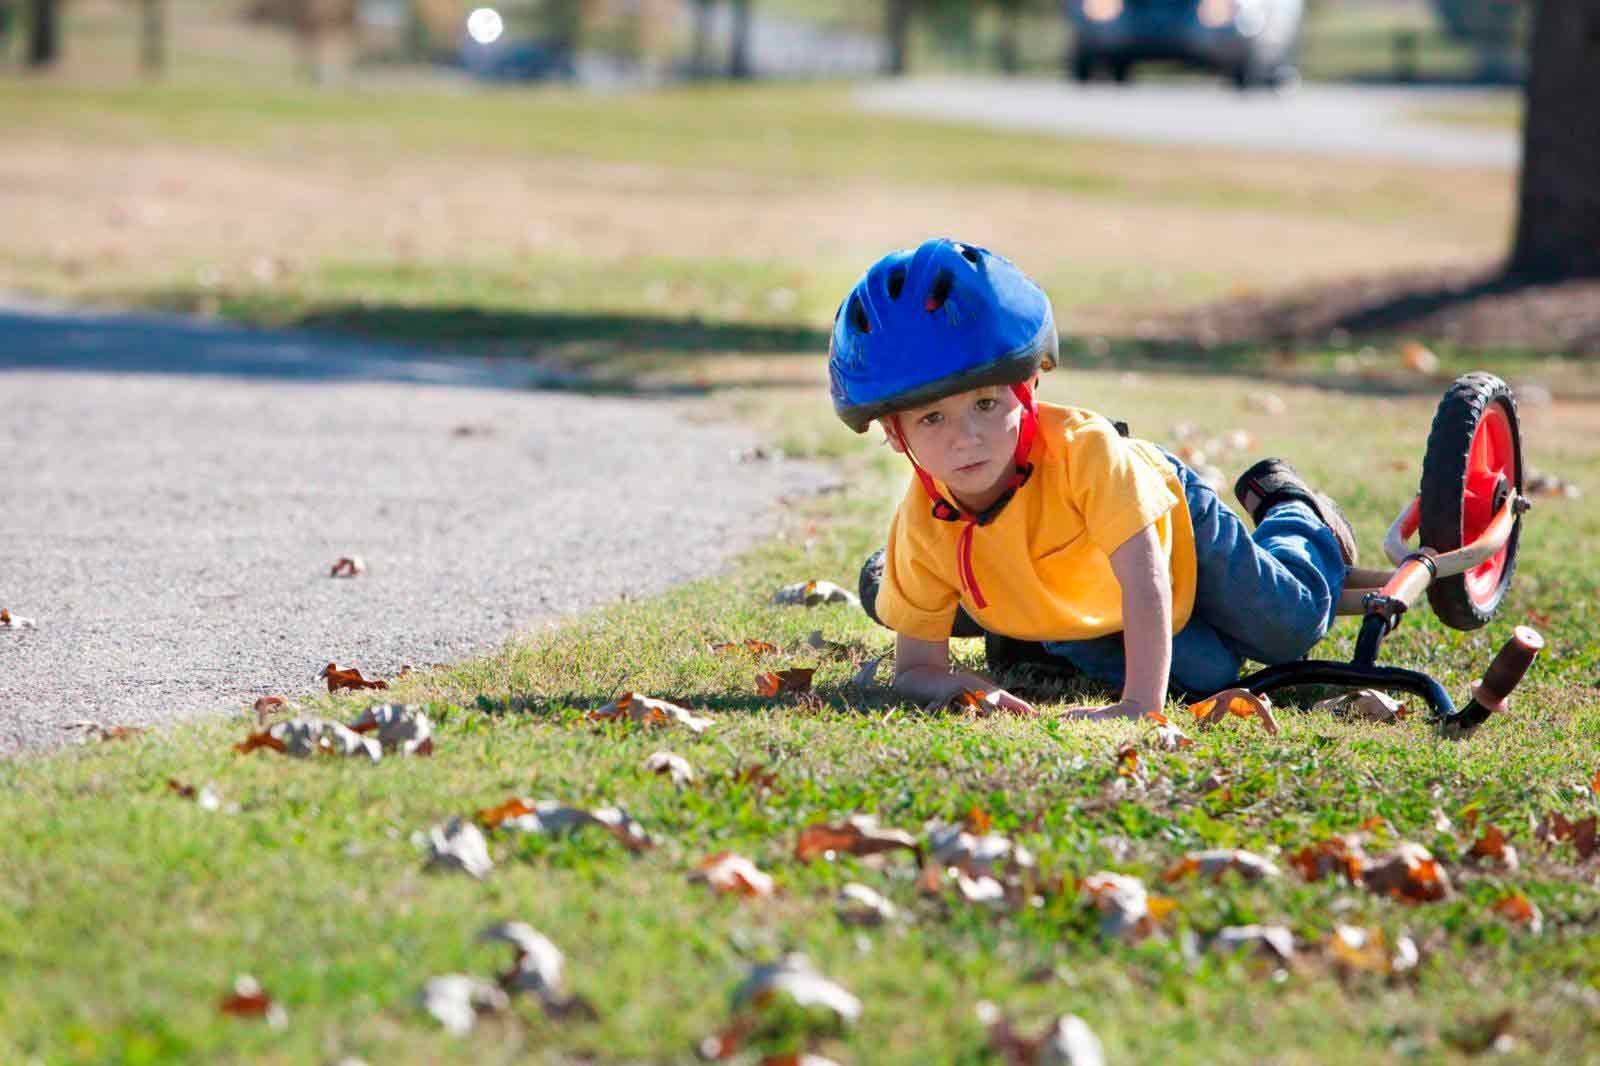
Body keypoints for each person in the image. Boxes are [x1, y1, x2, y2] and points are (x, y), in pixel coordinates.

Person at [831, 238, 1357, 719]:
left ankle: (1291, 508)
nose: (966, 437)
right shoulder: (923, 524)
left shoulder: (1089, 456)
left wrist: (1140, 705)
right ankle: (1025, 639)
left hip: (1170, 523)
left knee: (1289, 627)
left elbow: (1146, 578)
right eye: (931, 419)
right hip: (1068, 599)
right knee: (1207, 675)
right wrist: (968, 686)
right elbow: (914, 671)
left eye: (986, 403)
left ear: (1027, 389)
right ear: (896, 436)